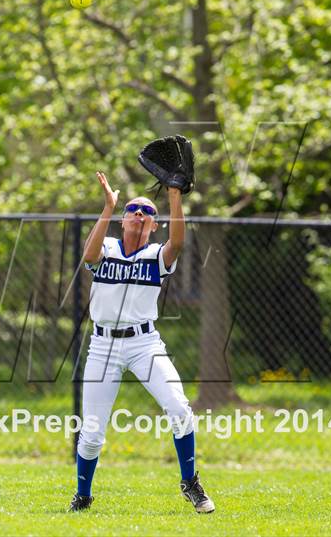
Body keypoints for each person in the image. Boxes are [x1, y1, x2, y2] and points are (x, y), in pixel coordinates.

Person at [68, 171, 214, 514]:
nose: (138, 213)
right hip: (102, 346)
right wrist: (107, 207)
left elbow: (177, 244)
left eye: (146, 211)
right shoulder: (105, 246)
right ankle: (83, 494)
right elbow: (88, 258)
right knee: (90, 434)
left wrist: (174, 195)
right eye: (132, 208)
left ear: (154, 225)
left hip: (144, 344)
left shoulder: (156, 257)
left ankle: (190, 482)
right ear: (122, 219)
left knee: (179, 409)